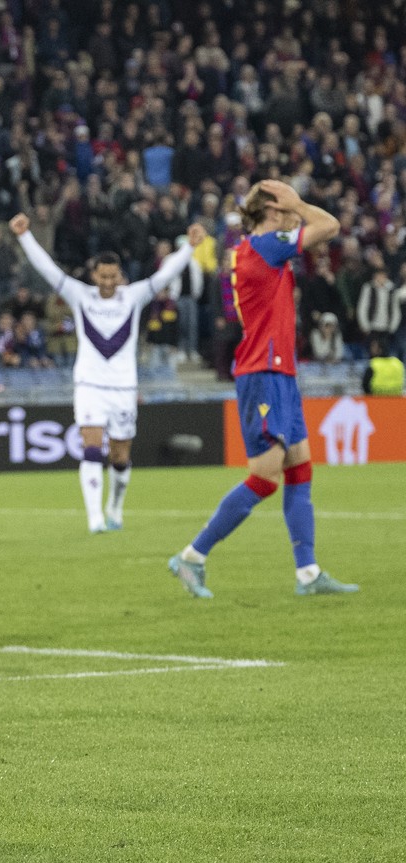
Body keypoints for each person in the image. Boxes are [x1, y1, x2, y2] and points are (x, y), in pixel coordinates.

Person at [168, 179, 358, 598]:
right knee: (266, 476)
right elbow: (329, 226)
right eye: (286, 205)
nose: (294, 214)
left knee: (300, 467)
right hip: (264, 372)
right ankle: (192, 557)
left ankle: (308, 574)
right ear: (274, 211)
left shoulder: (249, 250)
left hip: (279, 371)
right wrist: (302, 203)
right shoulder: (268, 245)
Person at [11, 213, 204, 533]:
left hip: (124, 387)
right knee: (91, 446)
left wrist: (189, 248)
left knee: (119, 455)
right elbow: (47, 269)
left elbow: (165, 273)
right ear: (94, 275)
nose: (108, 282)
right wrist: (24, 236)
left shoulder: (134, 296)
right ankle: (94, 519)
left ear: (121, 276)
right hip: (89, 384)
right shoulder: (79, 295)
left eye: (113, 276)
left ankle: (114, 507)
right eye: (103, 277)